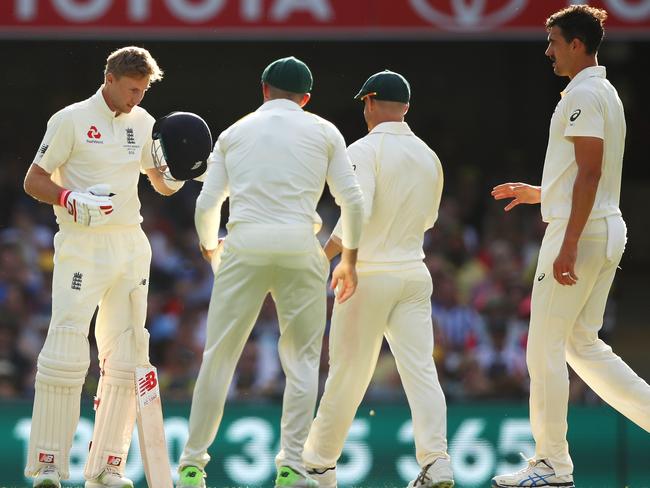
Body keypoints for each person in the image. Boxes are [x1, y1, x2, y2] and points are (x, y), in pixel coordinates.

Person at [176, 56, 364, 488]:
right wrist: (343, 257)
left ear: (263, 89)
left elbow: (207, 206)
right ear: (306, 98)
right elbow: (353, 203)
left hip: (245, 243)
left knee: (218, 357)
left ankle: (192, 465)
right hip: (301, 244)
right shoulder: (324, 131)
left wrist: (210, 250)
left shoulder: (234, 132)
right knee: (301, 362)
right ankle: (292, 466)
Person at [491, 5, 650, 487]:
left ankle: (551, 465)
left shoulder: (584, 93)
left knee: (544, 346)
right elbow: (588, 177)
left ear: (577, 44)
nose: (548, 51)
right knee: (581, 345)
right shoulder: (603, 91)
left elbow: (590, 172)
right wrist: (541, 193)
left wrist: (568, 242)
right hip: (603, 224)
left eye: (555, 42)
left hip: (580, 231)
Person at [22, 46, 186, 488]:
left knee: (129, 354)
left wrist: (178, 173)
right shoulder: (70, 119)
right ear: (110, 78)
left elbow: (160, 181)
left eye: (144, 90)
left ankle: (108, 466)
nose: (137, 98)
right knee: (66, 349)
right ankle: (49, 464)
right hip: (82, 243)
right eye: (132, 89)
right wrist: (68, 197)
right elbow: (33, 179)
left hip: (130, 244)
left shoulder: (145, 122)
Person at [302, 70, 454, 488]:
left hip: (367, 273)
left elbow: (357, 212)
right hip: (413, 272)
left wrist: (322, 256)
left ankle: (317, 463)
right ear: (406, 107)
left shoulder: (363, 149)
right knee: (421, 370)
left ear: (369, 102)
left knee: (348, 373)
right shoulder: (429, 156)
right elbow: (428, 220)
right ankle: (436, 460)